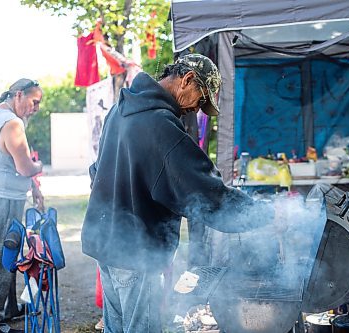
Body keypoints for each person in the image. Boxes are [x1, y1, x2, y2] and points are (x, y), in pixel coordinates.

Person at [81, 54, 275, 332]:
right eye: (200, 99)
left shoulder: (120, 110)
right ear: (187, 80)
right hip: (136, 253)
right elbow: (208, 194)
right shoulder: (160, 125)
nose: (196, 109)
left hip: (106, 244)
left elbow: (96, 172)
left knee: (117, 328)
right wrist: (264, 214)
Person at [0, 78, 44, 333]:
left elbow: (13, 165)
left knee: (10, 255)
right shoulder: (12, 124)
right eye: (34, 101)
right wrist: (39, 167)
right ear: (18, 95)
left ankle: (9, 309)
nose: (36, 108)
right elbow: (25, 167)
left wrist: (33, 186)